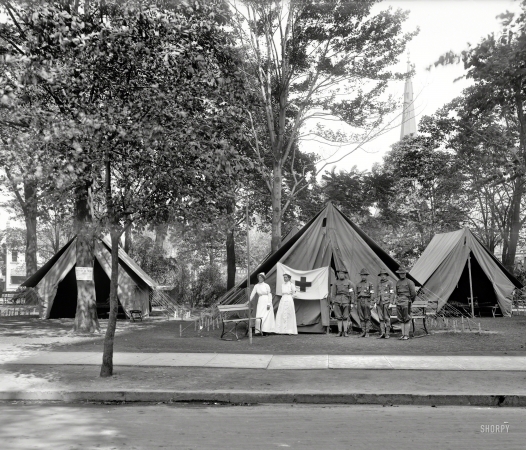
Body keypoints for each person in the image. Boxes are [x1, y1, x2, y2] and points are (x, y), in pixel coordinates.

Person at [330, 269, 355, 337]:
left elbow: (352, 293)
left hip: (346, 301)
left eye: (342, 273)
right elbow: (333, 293)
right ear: (338, 275)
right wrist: (333, 302)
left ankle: (345, 332)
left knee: (345, 317)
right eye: (339, 274)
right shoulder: (335, 283)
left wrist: (352, 303)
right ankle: (339, 331)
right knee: (339, 317)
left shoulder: (349, 283)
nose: (341, 275)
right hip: (337, 301)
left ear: (345, 274)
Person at [395, 267, 417, 340]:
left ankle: (406, 335)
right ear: (399, 274)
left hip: (406, 301)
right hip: (399, 302)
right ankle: (403, 334)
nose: (401, 275)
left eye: (403, 273)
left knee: (406, 318)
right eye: (400, 273)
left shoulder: (410, 282)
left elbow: (413, 294)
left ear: (405, 274)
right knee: (401, 319)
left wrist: (410, 301)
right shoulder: (398, 282)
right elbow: (397, 293)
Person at [376, 268, 394, 339]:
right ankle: (382, 333)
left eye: (384, 275)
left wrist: (391, 303)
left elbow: (392, 293)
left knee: (387, 318)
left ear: (386, 275)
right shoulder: (379, 284)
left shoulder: (390, 283)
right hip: (379, 303)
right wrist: (376, 302)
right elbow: (377, 293)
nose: (382, 276)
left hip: (387, 302)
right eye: (381, 275)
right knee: (381, 319)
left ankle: (387, 333)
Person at [356, 268, 374, 337]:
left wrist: (372, 303)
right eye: (362, 275)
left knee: (367, 317)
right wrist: (355, 303)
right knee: (361, 317)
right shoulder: (358, 284)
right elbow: (356, 294)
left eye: (365, 275)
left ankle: (367, 332)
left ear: (367, 276)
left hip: (367, 301)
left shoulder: (370, 284)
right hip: (360, 301)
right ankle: (363, 332)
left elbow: (372, 293)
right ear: (361, 276)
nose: (363, 276)